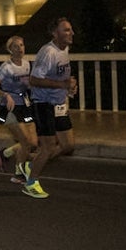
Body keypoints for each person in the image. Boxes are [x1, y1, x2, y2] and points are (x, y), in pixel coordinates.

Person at [23, 18, 77, 199]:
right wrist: (61, 85)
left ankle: (35, 162)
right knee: (48, 147)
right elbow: (34, 80)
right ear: (55, 34)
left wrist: (70, 84)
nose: (72, 33)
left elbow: (62, 75)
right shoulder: (48, 52)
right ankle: (30, 183)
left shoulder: (65, 49)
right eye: (67, 30)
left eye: (71, 30)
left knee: (68, 145)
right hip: (43, 104)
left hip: (59, 104)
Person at [0, 35, 38, 184]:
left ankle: (5, 153)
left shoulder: (27, 64)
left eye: (21, 45)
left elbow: (27, 85)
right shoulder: (6, 67)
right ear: (10, 49)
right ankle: (18, 174)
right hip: (9, 107)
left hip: (24, 105)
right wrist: (5, 94)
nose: (19, 48)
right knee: (25, 142)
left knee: (33, 142)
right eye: (15, 46)